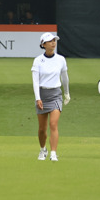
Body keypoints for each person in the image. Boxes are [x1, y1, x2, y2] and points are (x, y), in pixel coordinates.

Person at [32, 32, 70, 161]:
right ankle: (43, 149)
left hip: (55, 94)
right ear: (43, 44)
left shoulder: (61, 59)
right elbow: (35, 81)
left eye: (54, 40)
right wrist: (38, 98)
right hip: (42, 94)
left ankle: (53, 153)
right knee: (42, 129)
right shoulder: (38, 60)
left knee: (53, 124)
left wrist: (66, 93)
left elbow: (65, 78)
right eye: (50, 41)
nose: (53, 43)